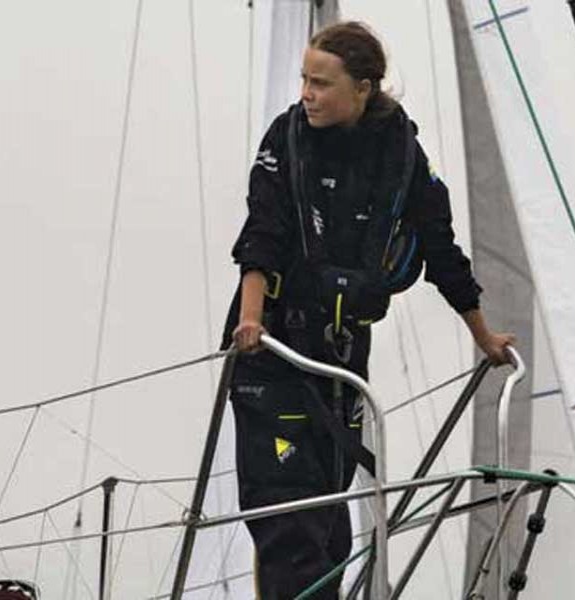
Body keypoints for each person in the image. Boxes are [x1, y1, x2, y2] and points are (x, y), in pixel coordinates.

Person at [220, 21, 514, 599]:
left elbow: (441, 249)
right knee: (289, 523)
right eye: (304, 80)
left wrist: (483, 336)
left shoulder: (402, 154)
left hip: (343, 358)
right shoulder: (287, 139)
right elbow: (262, 232)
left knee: (332, 529)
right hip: (273, 354)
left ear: (363, 88)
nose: (307, 93)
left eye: (321, 83)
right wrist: (249, 321)